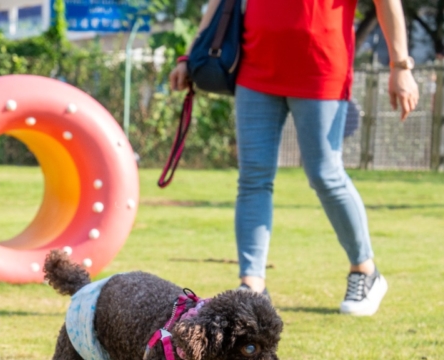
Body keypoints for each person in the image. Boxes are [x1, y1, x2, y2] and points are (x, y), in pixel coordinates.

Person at [170, 0, 420, 315]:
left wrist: (401, 66)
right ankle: (253, 284)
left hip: (321, 69)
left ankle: (365, 270)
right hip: (255, 70)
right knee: (253, 179)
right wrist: (189, 57)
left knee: (325, 175)